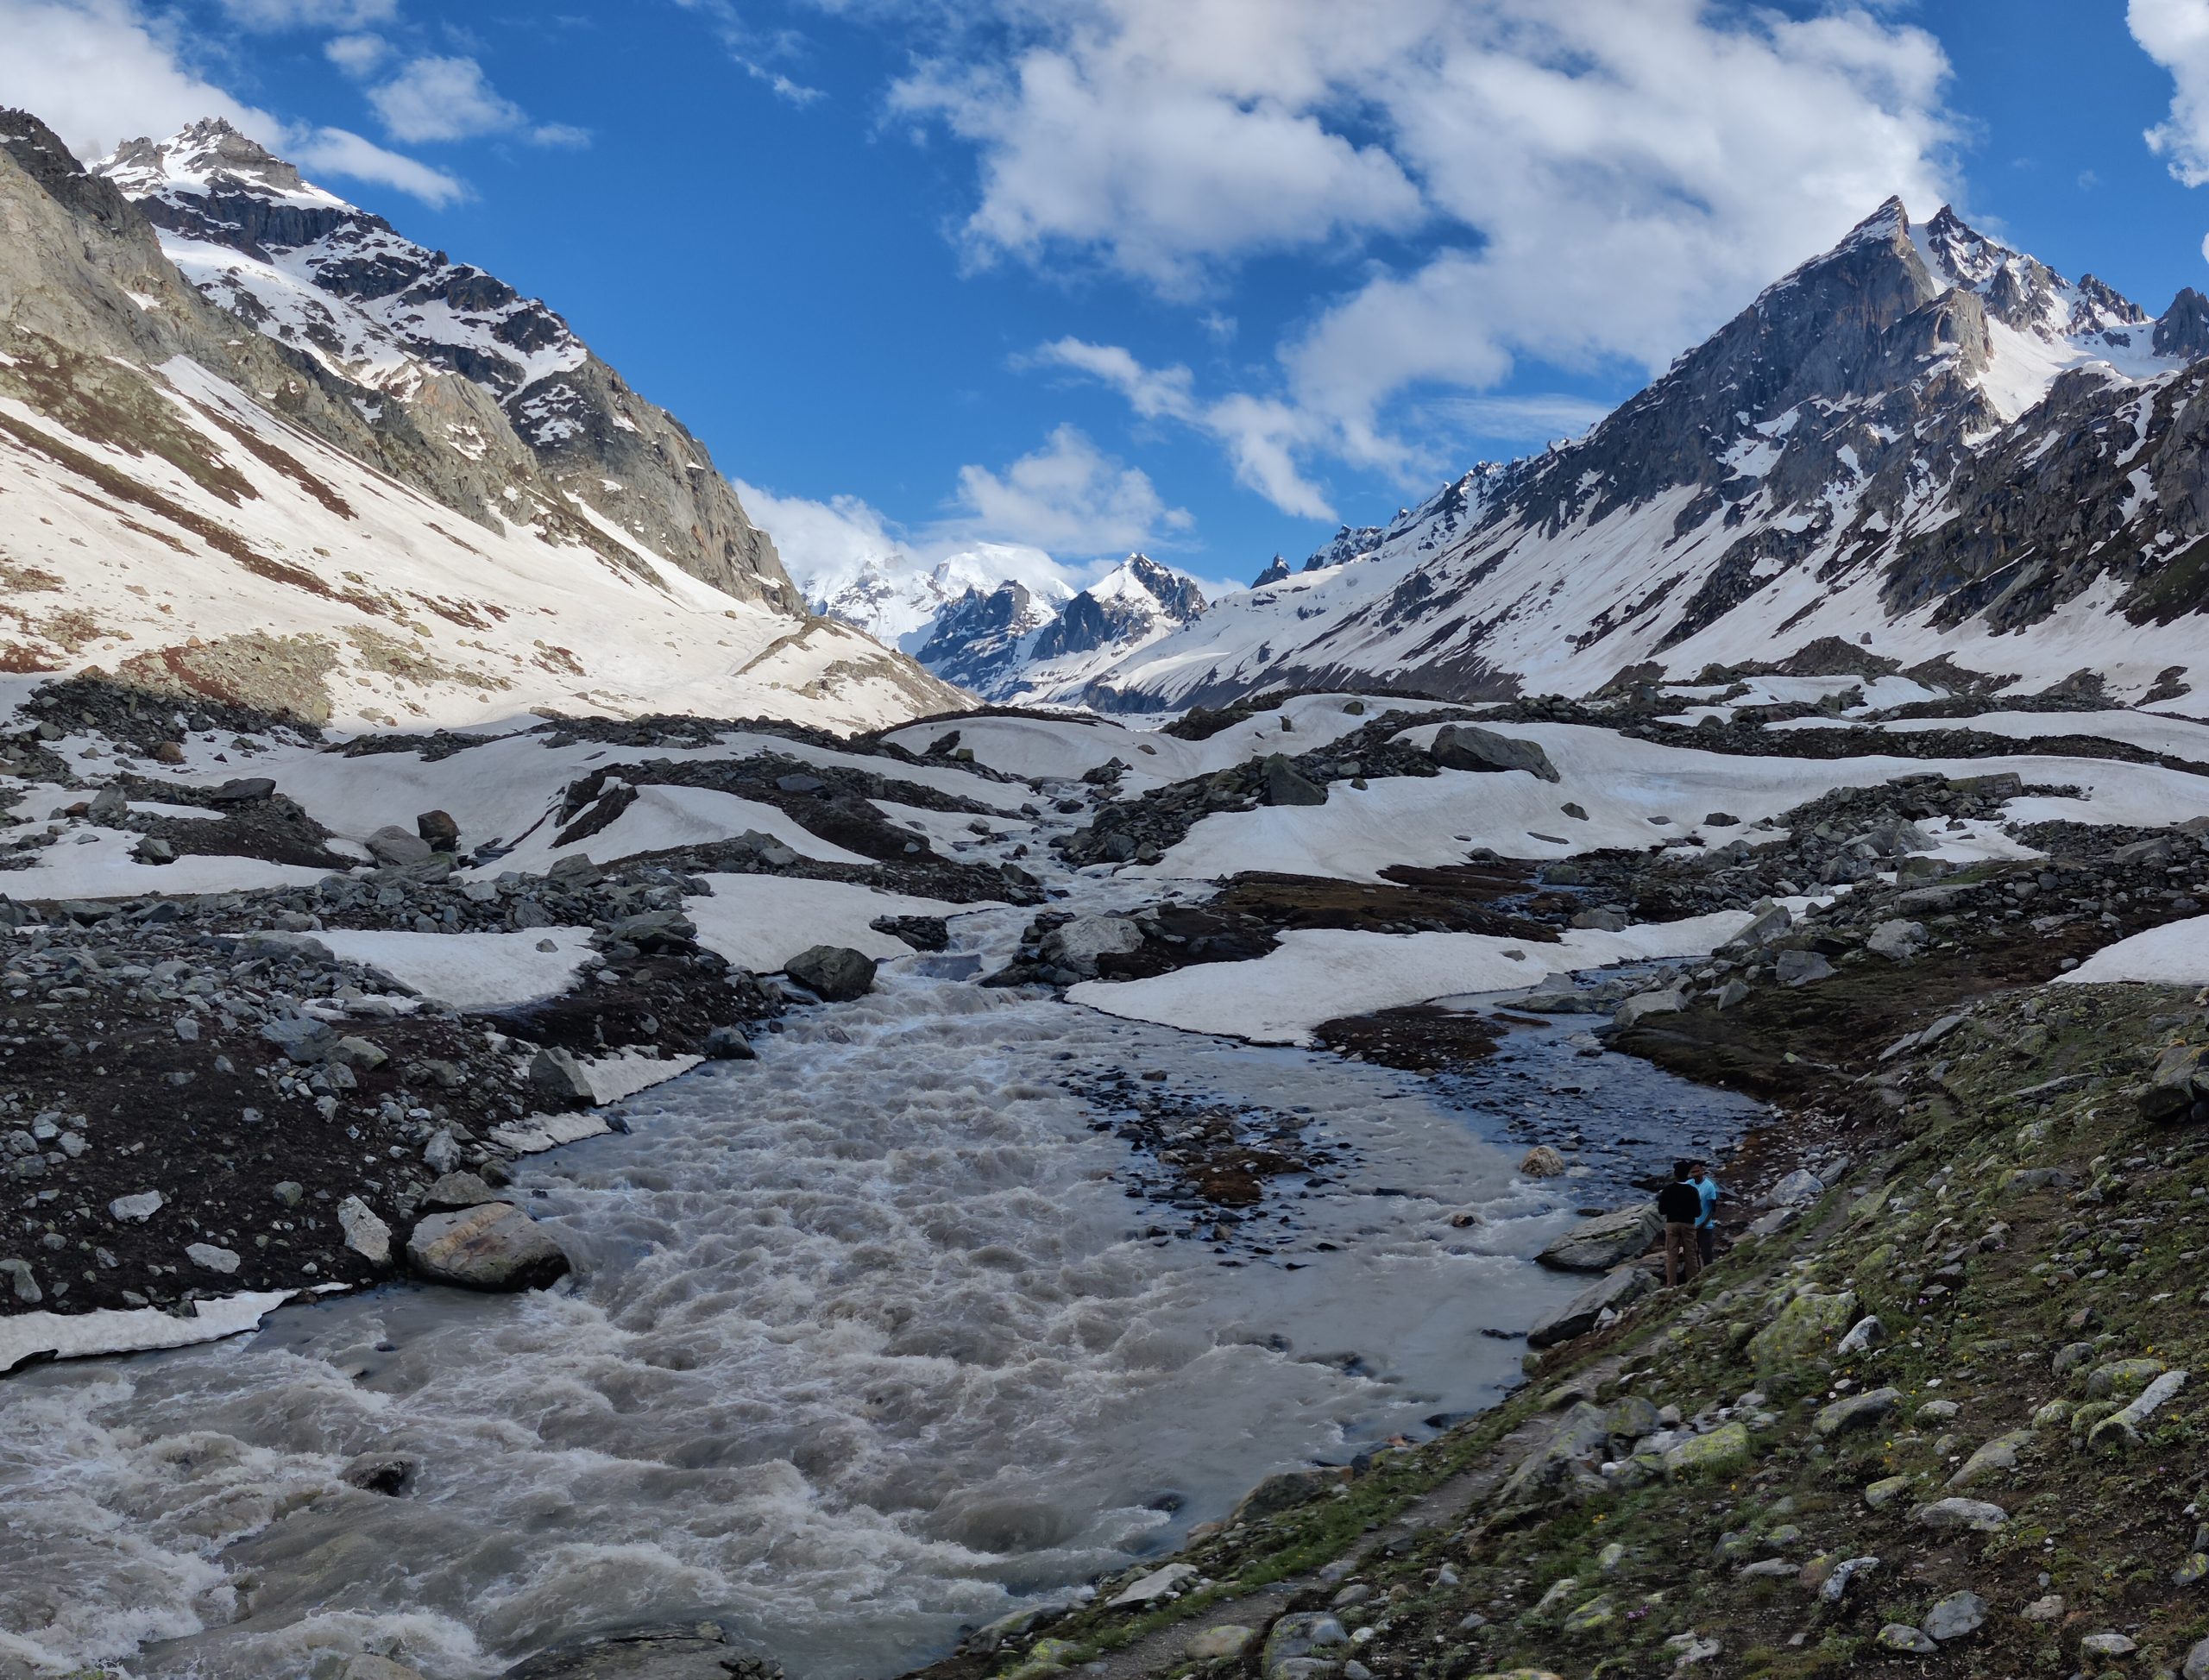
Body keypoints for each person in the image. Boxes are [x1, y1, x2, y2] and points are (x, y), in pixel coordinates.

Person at [1657, 1159, 1703, 1287]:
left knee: (1672, 1255)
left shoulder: (1668, 1190)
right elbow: (1698, 1212)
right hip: (1688, 1224)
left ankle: (1671, 1285)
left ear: (1675, 1174)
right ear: (1687, 1174)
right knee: (1691, 1254)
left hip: (1672, 1224)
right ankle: (1693, 1283)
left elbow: (1661, 1210)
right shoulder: (1692, 1191)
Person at [1693, 1162, 1721, 1268]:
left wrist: (1703, 1224)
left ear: (1702, 1171)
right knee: (1693, 1255)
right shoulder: (1688, 1184)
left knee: (1707, 1254)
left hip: (1705, 1226)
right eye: (1693, 1172)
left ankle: (1708, 1274)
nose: (1695, 1174)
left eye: (1697, 1171)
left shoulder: (1709, 1186)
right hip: (1691, 1226)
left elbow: (1713, 1208)